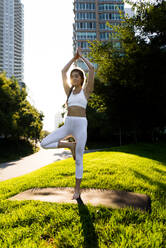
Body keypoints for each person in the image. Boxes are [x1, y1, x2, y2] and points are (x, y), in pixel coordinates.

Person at [40, 47, 95, 200]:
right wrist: (73, 58)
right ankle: (69, 145)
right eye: (73, 77)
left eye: (77, 76)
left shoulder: (86, 91)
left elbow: (91, 69)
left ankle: (77, 190)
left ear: (81, 79)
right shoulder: (69, 91)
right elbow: (63, 72)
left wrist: (81, 57)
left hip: (81, 126)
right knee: (44, 143)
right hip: (68, 124)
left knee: (79, 158)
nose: (74, 78)